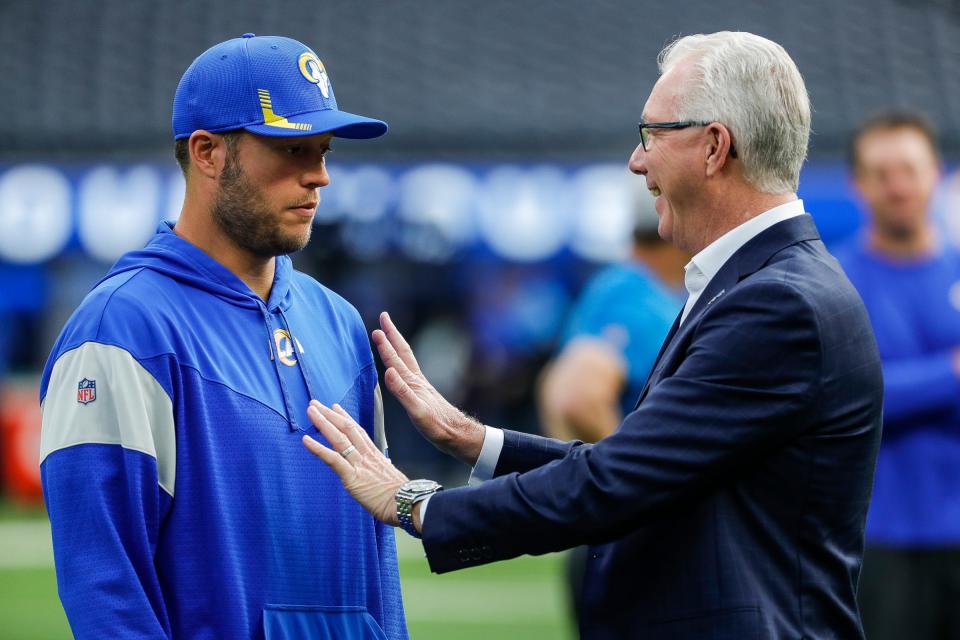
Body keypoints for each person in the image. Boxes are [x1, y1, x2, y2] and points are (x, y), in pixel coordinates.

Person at [303, 31, 884, 639]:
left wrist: (415, 503)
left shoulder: (776, 301)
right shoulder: (758, 283)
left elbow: (614, 481)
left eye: (652, 134)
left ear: (715, 146)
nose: (638, 161)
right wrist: (475, 440)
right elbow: (643, 467)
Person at [39, 34, 406, 639]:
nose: (319, 177)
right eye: (292, 149)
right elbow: (106, 585)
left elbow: (378, 560)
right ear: (207, 152)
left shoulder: (340, 323)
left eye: (324, 150)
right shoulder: (121, 329)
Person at [835, 113, 960, 640]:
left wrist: (910, 382)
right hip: (877, 540)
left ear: (936, 173)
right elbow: (851, 397)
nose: (898, 186)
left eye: (909, 169)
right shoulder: (834, 284)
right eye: (882, 173)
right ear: (857, 185)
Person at [538, 201, 685, 625]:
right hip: (626, 532)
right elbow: (576, 395)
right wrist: (635, 475)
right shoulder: (634, 292)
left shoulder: (623, 286)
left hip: (612, 525)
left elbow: (553, 386)